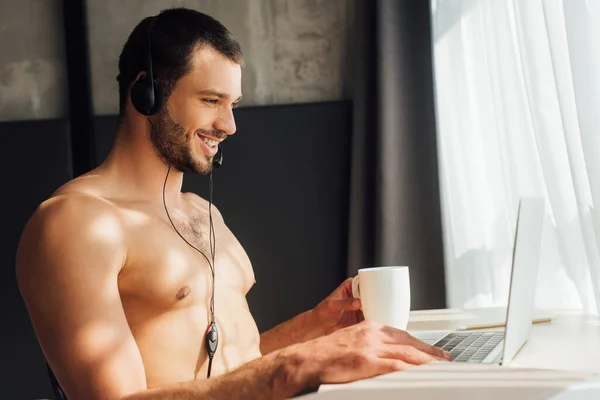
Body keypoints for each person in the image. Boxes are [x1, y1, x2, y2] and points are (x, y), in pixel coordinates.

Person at [16, 8, 450, 400]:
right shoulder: (75, 223)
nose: (228, 125)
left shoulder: (204, 213)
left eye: (233, 104)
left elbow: (232, 365)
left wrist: (315, 328)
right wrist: (295, 366)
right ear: (145, 93)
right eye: (210, 101)